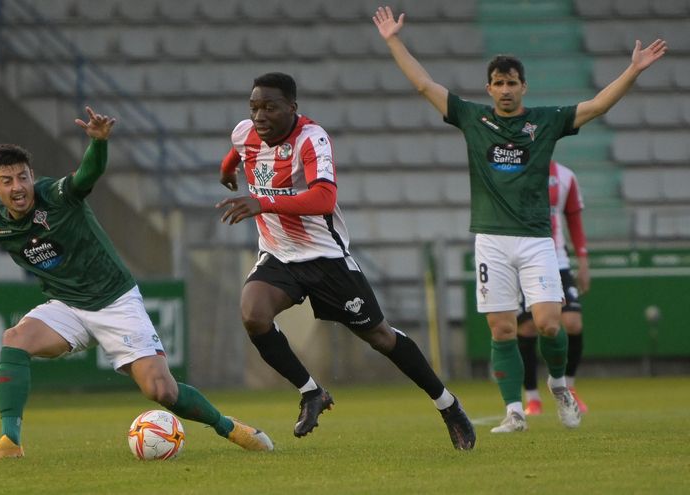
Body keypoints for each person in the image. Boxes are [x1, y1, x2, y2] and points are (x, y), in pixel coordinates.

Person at [0, 106, 273, 459]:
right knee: (15, 339)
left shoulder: (57, 196)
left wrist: (97, 145)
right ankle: (11, 441)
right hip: (66, 305)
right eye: (7, 181)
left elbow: (87, 176)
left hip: (115, 300)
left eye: (22, 176)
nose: (18, 187)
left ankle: (228, 428)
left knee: (161, 390)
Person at [373, 6, 666, 433]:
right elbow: (423, 84)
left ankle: (560, 387)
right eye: (498, 83)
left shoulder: (545, 121)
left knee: (550, 323)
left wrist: (633, 70)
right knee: (503, 328)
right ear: (488, 88)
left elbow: (598, 105)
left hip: (535, 239)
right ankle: (514, 411)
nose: (505, 90)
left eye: (512, 83)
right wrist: (392, 40)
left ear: (523, 86)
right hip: (490, 239)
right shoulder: (474, 118)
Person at [215, 72, 475, 450]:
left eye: (269, 107)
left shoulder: (312, 139)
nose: (259, 116)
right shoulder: (245, 133)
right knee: (254, 315)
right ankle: (312, 392)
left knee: (381, 337)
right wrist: (227, 171)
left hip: (326, 259)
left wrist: (262, 201)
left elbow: (322, 197)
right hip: (278, 255)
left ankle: (448, 405)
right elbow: (238, 151)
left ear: (292, 108)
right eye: (254, 107)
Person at [519, 160, 590, 416]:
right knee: (526, 327)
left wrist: (583, 261)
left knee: (572, 322)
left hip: (557, 258)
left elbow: (574, 220)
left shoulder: (565, 176)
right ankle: (532, 398)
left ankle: (568, 387)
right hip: (524, 258)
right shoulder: (517, 166)